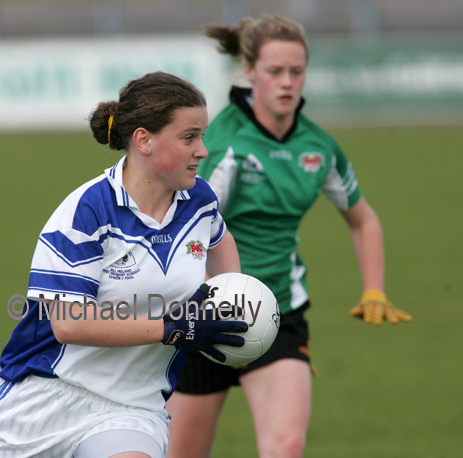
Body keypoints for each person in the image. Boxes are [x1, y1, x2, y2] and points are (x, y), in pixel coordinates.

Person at [165, 14, 412, 458]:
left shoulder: (318, 147)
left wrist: (374, 288)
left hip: (278, 311)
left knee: (287, 446)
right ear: (250, 72)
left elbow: (363, 219)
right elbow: (183, 224)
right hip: (203, 314)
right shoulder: (224, 144)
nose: (287, 82)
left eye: (296, 72)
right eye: (275, 71)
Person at [0, 71, 249, 458]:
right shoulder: (87, 211)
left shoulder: (199, 201)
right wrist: (174, 327)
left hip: (132, 408)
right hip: (44, 398)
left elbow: (219, 239)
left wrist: (236, 296)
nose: (202, 150)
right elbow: (68, 323)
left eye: (202, 135)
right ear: (144, 140)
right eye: (189, 137)